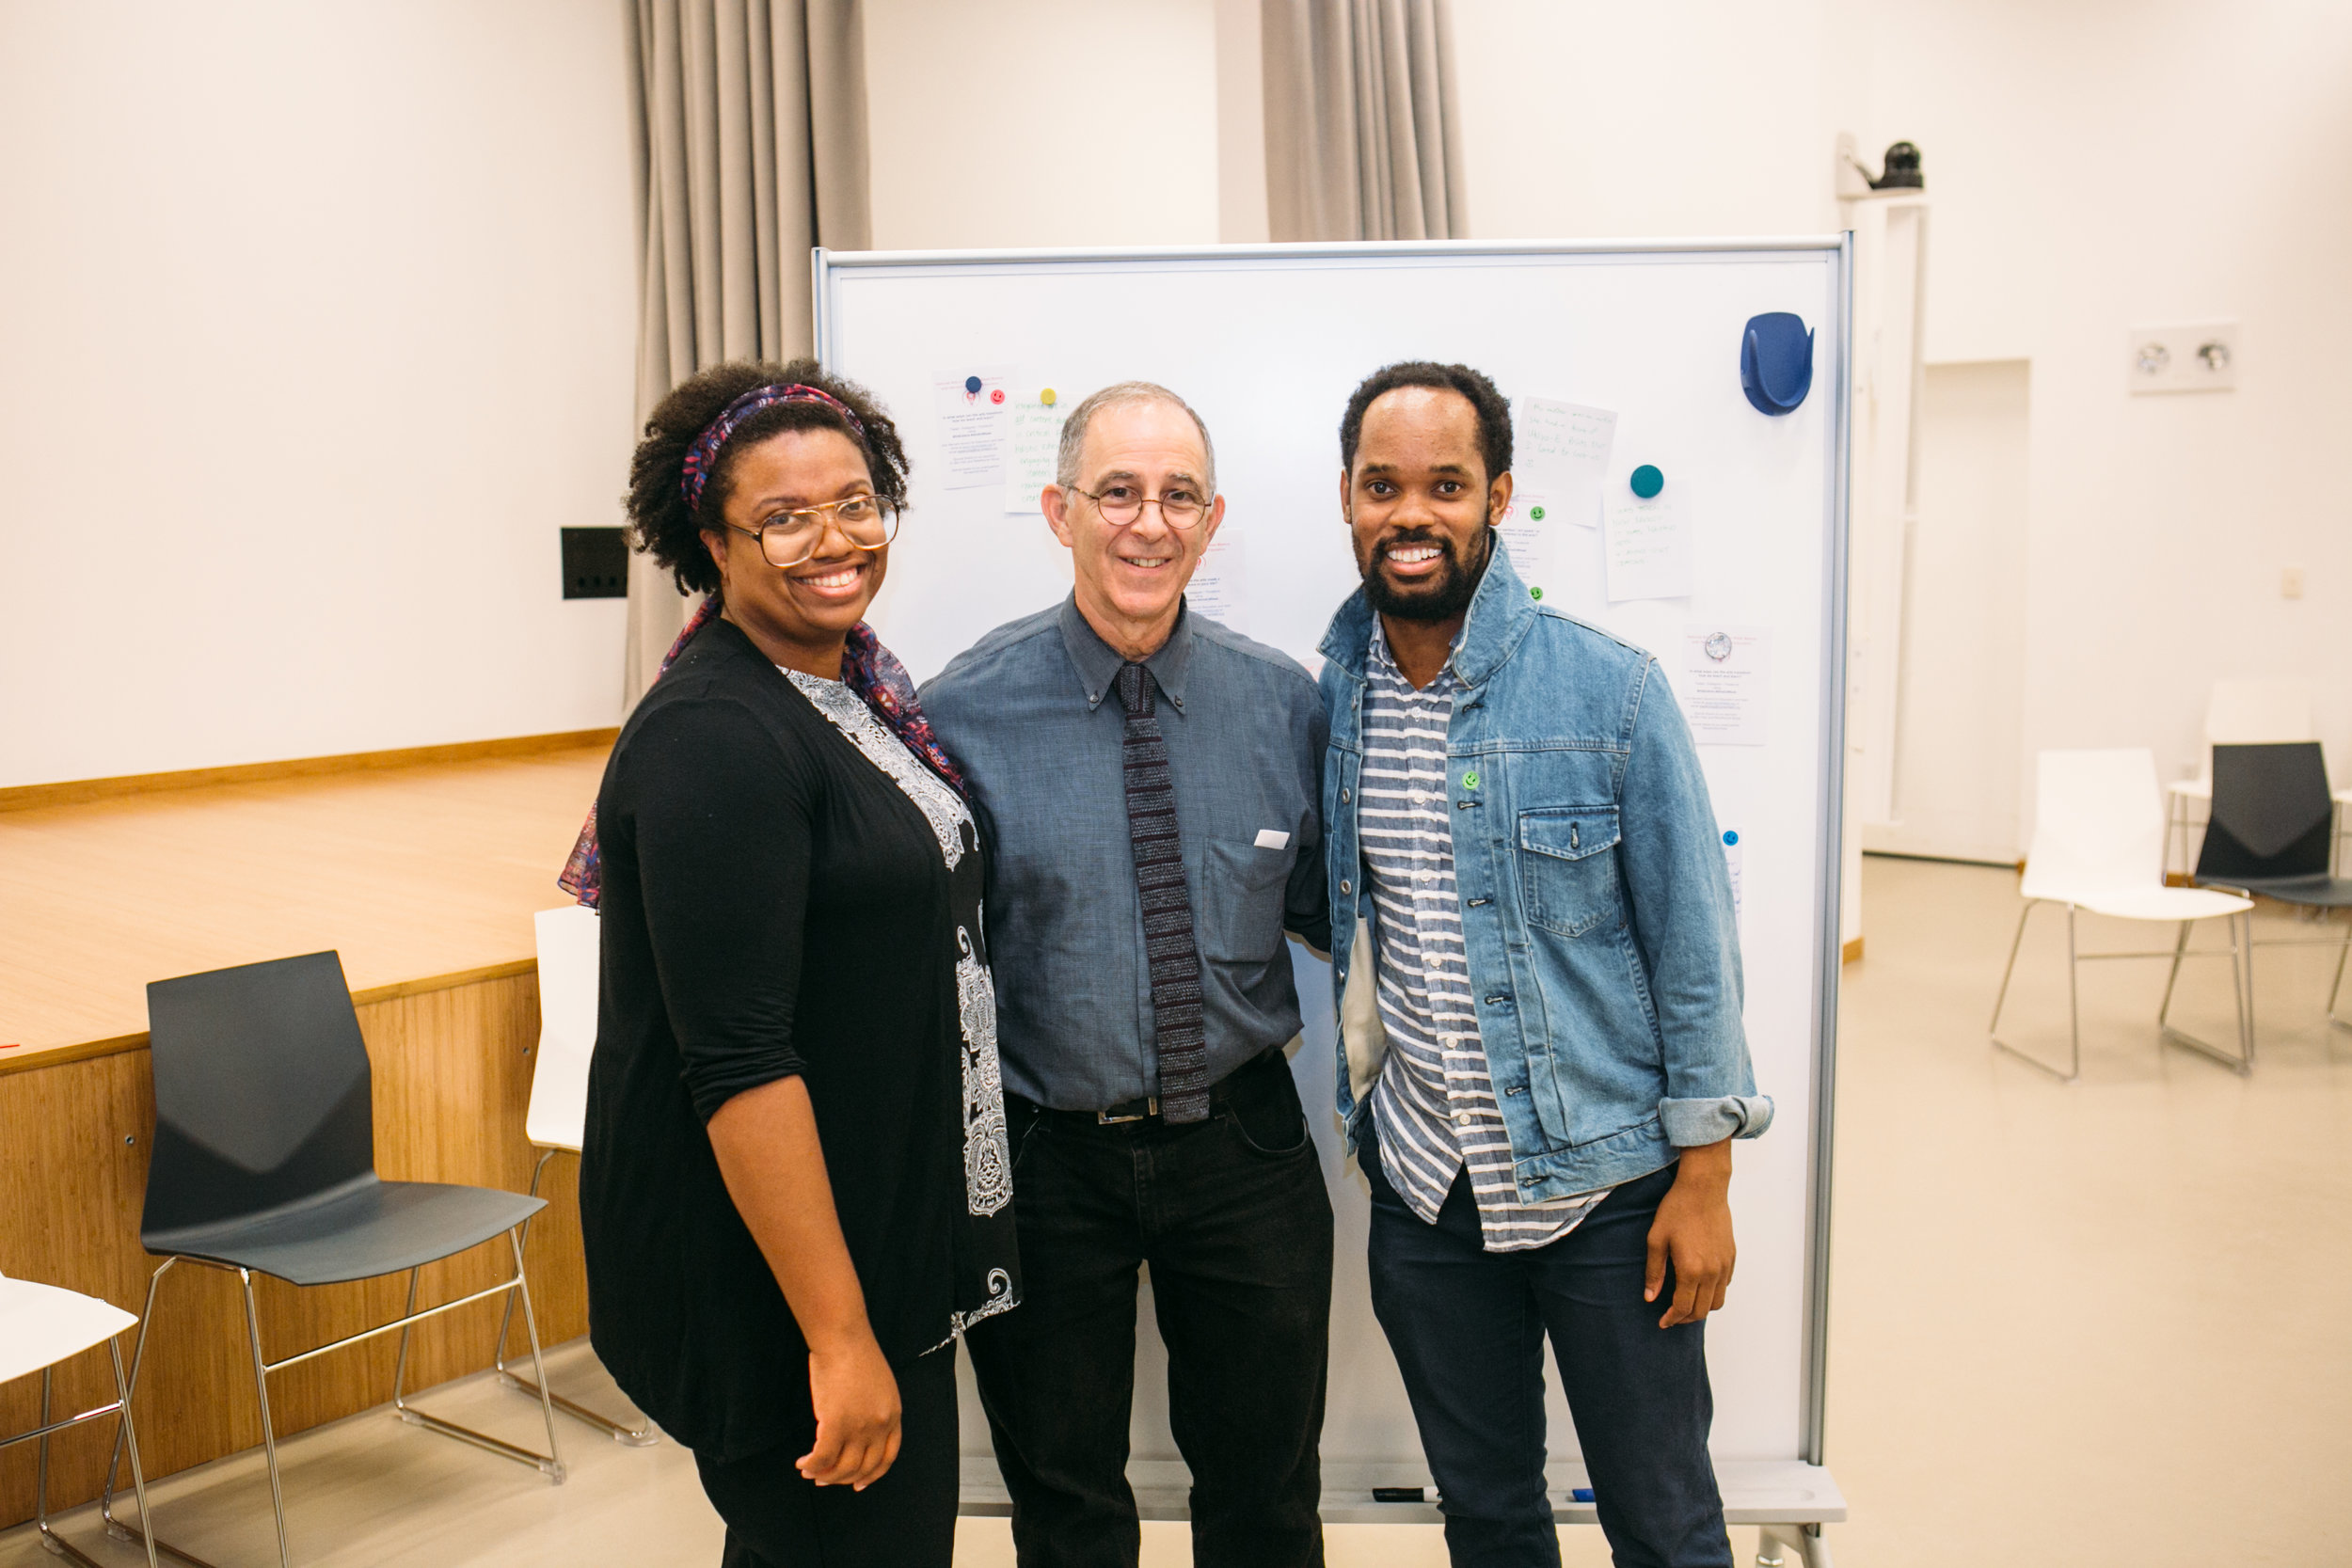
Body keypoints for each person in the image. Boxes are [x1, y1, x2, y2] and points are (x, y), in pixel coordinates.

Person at [1313, 362, 1772, 1568]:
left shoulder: (1609, 689)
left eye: (1445, 483)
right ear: (1349, 501)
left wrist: (1705, 1178)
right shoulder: (1336, 700)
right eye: (1382, 484)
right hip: (1427, 1190)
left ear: (1498, 495)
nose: (1411, 512)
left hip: (1609, 1191)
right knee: (1490, 1517)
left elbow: (1694, 948)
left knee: (1664, 1522)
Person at [571, 360, 1019, 1568]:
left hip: (868, 1237)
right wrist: (837, 1336)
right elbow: (739, 1062)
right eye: (784, 515)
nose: (835, 538)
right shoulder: (716, 735)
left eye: (856, 500)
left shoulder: (845, 685)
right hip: (782, 1286)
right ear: (708, 541)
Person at [921, 381, 1334, 1568]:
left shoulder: (1285, 707)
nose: (1148, 522)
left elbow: (1334, 915)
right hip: (1047, 1160)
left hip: (1245, 1155)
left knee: (1265, 1494)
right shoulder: (962, 713)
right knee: (1066, 1505)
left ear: (1211, 521)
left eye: (1177, 496)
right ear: (1061, 510)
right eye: (1117, 492)